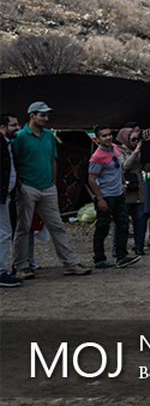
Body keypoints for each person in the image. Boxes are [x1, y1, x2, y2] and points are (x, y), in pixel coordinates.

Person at [10, 101, 91, 278]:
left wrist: (53, 182)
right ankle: (21, 266)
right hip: (28, 186)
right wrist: (19, 185)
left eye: (47, 115)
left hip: (47, 187)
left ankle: (70, 263)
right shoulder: (21, 137)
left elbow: (54, 159)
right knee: (24, 227)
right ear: (32, 116)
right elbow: (13, 161)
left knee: (57, 226)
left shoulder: (48, 136)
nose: (46, 118)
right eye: (42, 115)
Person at [87, 127, 139, 269]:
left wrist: (123, 183)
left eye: (109, 135)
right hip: (106, 195)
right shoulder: (97, 157)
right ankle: (99, 259)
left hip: (118, 194)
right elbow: (91, 179)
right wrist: (100, 199)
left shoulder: (115, 148)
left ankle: (122, 256)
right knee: (102, 228)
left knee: (123, 224)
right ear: (98, 139)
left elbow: (120, 167)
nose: (108, 138)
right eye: (104, 136)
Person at [117, 127, 147, 257]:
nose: (135, 142)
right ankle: (118, 249)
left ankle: (139, 247)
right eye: (133, 139)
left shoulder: (139, 150)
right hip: (126, 190)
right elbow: (125, 166)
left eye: (137, 139)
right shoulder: (119, 150)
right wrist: (135, 152)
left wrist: (147, 153)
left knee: (140, 221)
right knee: (122, 222)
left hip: (139, 190)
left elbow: (146, 167)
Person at [1, 113, 22, 286]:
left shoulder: (7, 144)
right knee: (4, 234)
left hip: (5, 196)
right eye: (13, 125)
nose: (17, 128)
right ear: (2, 127)